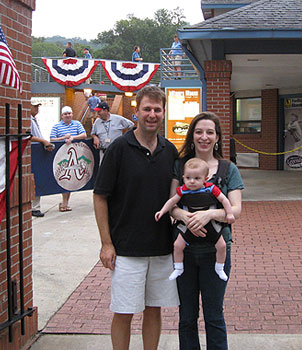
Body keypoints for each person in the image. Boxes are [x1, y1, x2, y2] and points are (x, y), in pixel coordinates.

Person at [93, 86, 179, 350]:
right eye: (147, 109)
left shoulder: (170, 151)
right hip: (126, 249)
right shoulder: (119, 148)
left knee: (154, 310)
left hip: (161, 247)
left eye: (157, 109)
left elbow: (177, 197)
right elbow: (100, 196)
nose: (152, 114)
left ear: (163, 113)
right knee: (124, 311)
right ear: (136, 112)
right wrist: (106, 243)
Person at [170, 112, 243, 350]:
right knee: (187, 316)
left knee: (214, 315)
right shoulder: (180, 166)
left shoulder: (228, 168)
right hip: (186, 252)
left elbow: (236, 209)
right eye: (199, 132)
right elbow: (172, 204)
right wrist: (185, 217)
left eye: (210, 132)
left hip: (216, 251)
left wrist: (209, 214)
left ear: (217, 137)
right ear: (192, 136)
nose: (204, 137)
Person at [155, 157, 235, 282]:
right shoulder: (182, 191)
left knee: (222, 245)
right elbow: (172, 201)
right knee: (177, 245)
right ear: (183, 178)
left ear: (205, 179)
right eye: (188, 178)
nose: (192, 181)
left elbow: (224, 200)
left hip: (211, 225)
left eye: (197, 178)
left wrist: (229, 214)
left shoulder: (211, 189)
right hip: (188, 225)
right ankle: (178, 267)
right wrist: (162, 211)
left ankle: (220, 267)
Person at [50, 106, 87, 212]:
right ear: (62, 116)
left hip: (75, 155)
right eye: (65, 114)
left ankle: (65, 203)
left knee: (71, 178)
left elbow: (84, 135)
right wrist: (63, 138)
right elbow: (52, 138)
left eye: (69, 113)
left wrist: (73, 138)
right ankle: (64, 203)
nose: (68, 115)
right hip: (61, 156)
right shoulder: (57, 126)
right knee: (64, 178)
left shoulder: (77, 124)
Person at [30, 100, 54, 217]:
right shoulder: (28, 119)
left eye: (37, 106)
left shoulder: (33, 119)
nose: (37, 109)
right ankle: (34, 207)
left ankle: (35, 206)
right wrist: (43, 141)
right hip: (31, 154)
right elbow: (27, 136)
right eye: (34, 106)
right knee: (34, 179)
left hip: (37, 153)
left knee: (37, 178)